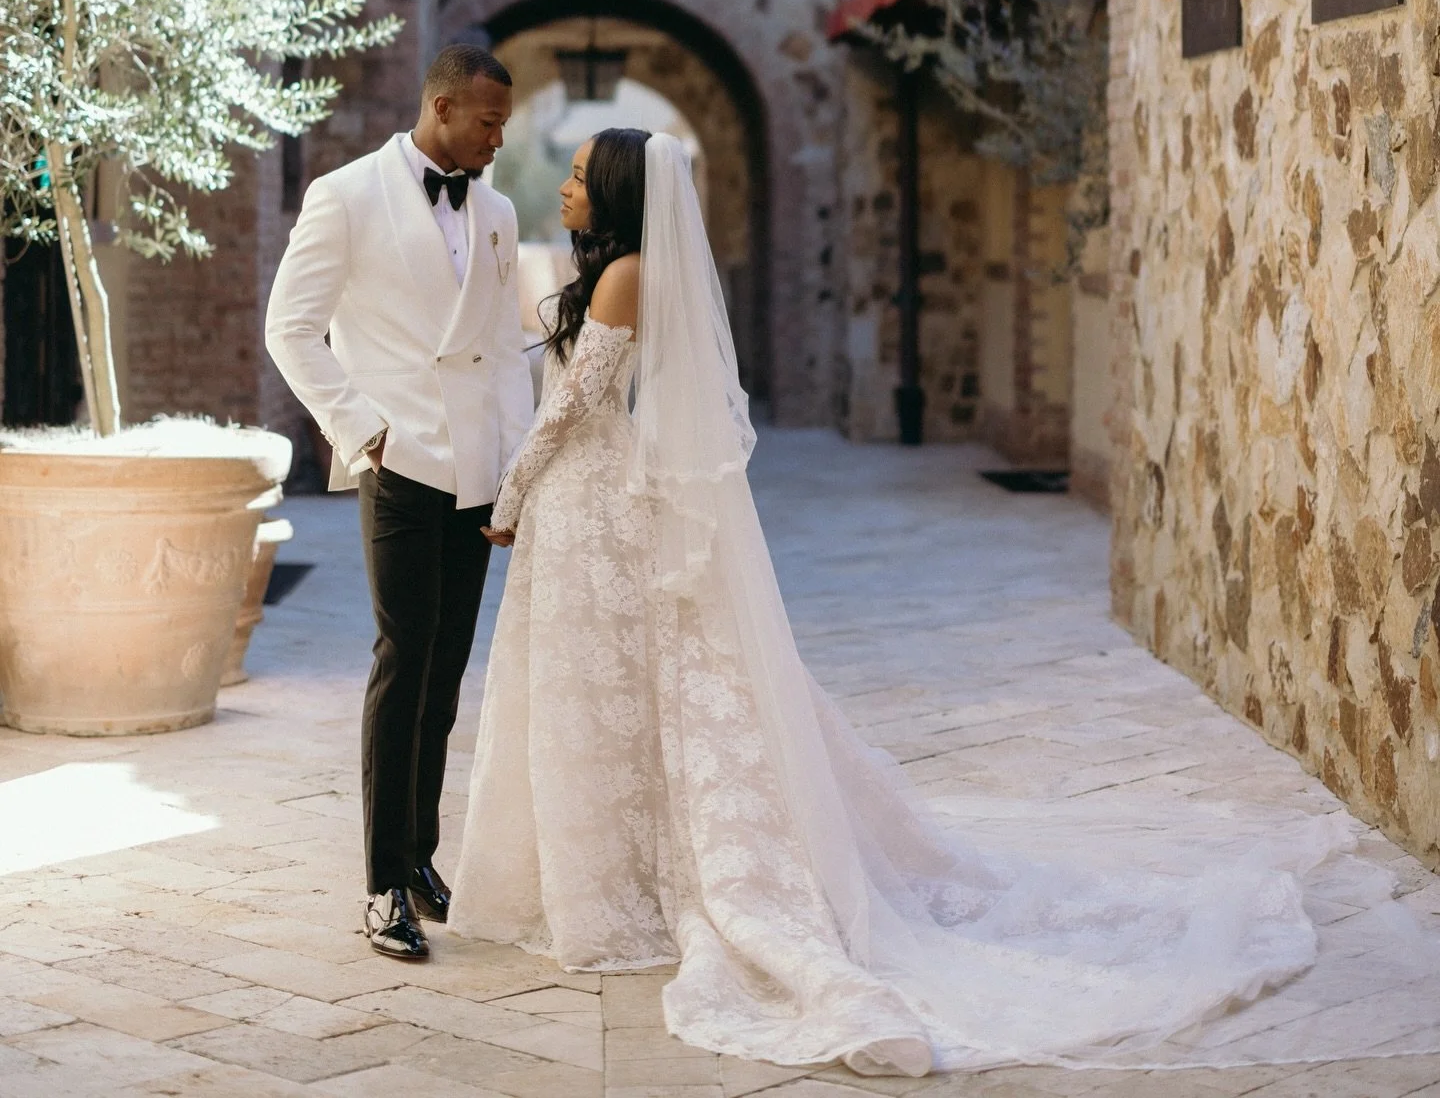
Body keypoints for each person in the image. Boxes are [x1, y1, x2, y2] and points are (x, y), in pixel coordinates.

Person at [450, 127, 1347, 1077]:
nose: (566, 189)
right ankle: (617, 872)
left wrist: (509, 497)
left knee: (618, 690)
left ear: (623, 193)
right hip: (586, 507)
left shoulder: (626, 275)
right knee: (605, 692)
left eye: (583, 178)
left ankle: (647, 882)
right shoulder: (620, 270)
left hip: (592, 502)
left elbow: (575, 405)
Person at [266, 45, 532, 962]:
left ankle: (418, 858)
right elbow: (289, 327)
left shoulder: (494, 210)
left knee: (447, 666)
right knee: (402, 655)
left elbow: (502, 349)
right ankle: (381, 886)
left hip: (474, 472)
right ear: (443, 106)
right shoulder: (346, 194)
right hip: (399, 460)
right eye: (488, 123)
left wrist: (514, 474)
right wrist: (362, 428)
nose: (499, 141)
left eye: (504, 125)